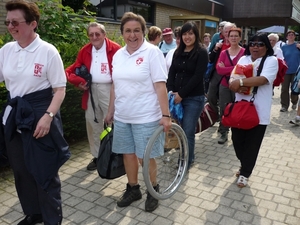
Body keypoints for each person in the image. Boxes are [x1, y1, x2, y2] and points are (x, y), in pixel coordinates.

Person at [0, 0, 70, 224]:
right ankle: (34, 213)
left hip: (41, 114)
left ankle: (52, 219)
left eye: (15, 22)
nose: (10, 26)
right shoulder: (6, 50)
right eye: (7, 22)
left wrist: (48, 118)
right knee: (21, 169)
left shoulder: (47, 51)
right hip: (15, 115)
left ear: (33, 24)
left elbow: (60, 89)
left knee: (44, 172)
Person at [105, 12, 171, 212]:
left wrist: (166, 115)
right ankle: (133, 188)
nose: (132, 35)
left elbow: (160, 86)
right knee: (128, 154)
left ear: (143, 31)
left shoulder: (152, 53)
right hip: (123, 116)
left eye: (136, 30)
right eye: (127, 31)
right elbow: (115, 85)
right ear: (122, 33)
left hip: (146, 116)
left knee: (145, 156)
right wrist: (110, 111)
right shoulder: (118, 55)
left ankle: (153, 190)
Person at [65, 22, 121, 171]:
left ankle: (115, 154)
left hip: (110, 88)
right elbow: (72, 70)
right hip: (90, 91)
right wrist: (79, 82)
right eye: (91, 34)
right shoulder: (85, 50)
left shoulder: (115, 49)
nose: (94, 37)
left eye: (97, 34)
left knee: (113, 122)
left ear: (104, 34)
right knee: (92, 123)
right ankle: (97, 156)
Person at [229, 33, 278, 188]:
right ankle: (245, 164)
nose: (255, 47)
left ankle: (245, 173)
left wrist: (240, 82)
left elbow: (263, 79)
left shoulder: (272, 60)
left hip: (259, 111)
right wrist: (233, 82)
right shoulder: (243, 59)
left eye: (260, 44)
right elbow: (232, 77)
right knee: (237, 142)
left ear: (266, 47)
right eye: (252, 44)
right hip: (239, 109)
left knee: (252, 145)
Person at [167, 21, 208, 169]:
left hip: (194, 99)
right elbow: (172, 72)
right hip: (176, 96)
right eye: (184, 34)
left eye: (190, 33)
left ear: (196, 35)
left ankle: (186, 160)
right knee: (177, 128)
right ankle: (185, 155)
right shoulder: (178, 51)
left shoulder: (201, 52)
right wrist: (171, 90)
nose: (187, 37)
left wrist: (182, 94)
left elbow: (198, 76)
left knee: (188, 130)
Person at [216, 28, 245, 144]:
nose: (233, 38)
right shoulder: (224, 53)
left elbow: (244, 69)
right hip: (224, 85)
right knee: (224, 108)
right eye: (231, 36)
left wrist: (226, 69)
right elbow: (219, 70)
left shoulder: (244, 52)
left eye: (235, 36)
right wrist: (235, 68)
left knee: (238, 108)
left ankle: (238, 133)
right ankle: (224, 132)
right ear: (227, 37)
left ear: (240, 38)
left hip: (239, 86)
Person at [207, 22, 236, 120]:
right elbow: (210, 58)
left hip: (229, 76)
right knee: (211, 95)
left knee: (224, 99)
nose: (227, 34)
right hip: (216, 72)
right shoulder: (218, 43)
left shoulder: (238, 46)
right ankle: (215, 115)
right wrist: (215, 49)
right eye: (225, 32)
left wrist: (225, 68)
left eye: (229, 31)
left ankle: (224, 121)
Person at [280, 30, 300, 112]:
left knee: (294, 88)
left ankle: (294, 102)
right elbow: (280, 58)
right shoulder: (283, 47)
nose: (291, 36)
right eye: (289, 35)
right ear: (287, 37)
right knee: (284, 89)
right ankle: (284, 106)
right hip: (286, 71)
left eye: (292, 35)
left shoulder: (298, 46)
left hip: (296, 71)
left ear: (295, 37)